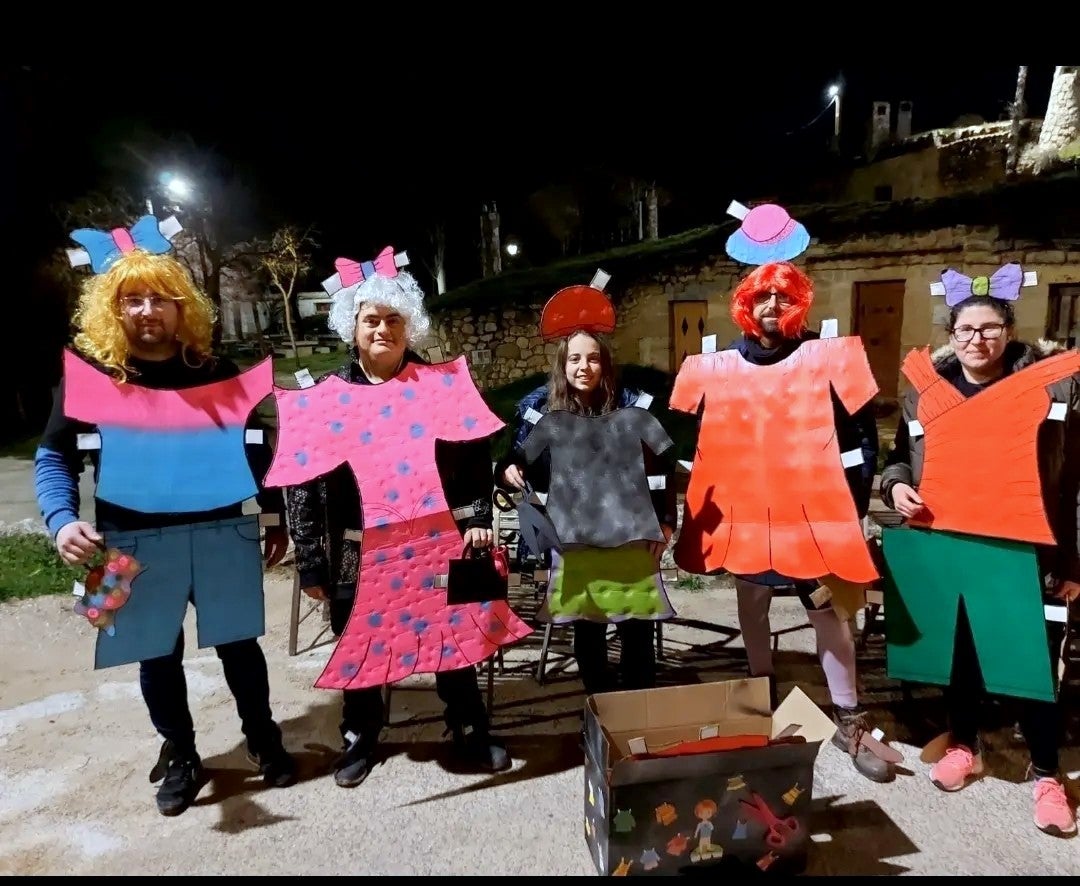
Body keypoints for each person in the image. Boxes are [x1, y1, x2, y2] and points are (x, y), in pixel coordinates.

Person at [34, 221, 297, 818]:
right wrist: (60, 520)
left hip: (219, 532)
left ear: (182, 308)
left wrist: (275, 512)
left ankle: (264, 739)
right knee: (154, 653)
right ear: (113, 308)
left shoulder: (215, 371)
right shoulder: (90, 377)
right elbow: (54, 456)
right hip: (124, 536)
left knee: (239, 645)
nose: (147, 310)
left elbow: (257, 448)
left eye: (160, 298)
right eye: (133, 299)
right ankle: (181, 753)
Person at [280, 248, 528, 788]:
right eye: (372, 320)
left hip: (440, 539)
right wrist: (311, 562)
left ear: (408, 325)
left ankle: (467, 725)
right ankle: (361, 735)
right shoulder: (325, 399)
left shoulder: (440, 387)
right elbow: (301, 485)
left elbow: (473, 456)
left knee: (453, 634)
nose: (383, 330)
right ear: (353, 327)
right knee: (361, 644)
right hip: (357, 549)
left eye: (394, 320)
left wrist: (479, 517)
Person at [671, 252, 895, 783]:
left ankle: (848, 717)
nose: (773, 305)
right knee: (751, 604)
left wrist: (851, 508)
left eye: (785, 296)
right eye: (761, 296)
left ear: (800, 303)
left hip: (814, 518)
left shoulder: (829, 357)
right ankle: (758, 693)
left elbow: (863, 440)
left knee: (829, 614)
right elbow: (692, 437)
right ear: (745, 304)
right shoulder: (716, 366)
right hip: (747, 516)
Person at [880, 273, 1080, 837]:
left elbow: (1071, 482)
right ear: (952, 334)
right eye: (966, 328)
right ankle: (965, 744)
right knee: (959, 655)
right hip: (946, 545)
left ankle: (1045, 772)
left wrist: (1071, 564)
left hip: (1023, 551)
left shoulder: (1050, 391)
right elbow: (899, 457)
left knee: (1032, 665)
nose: (977, 339)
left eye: (989, 328)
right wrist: (896, 487)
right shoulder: (927, 391)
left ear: (1009, 331)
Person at [497, 276, 677, 697]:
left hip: (630, 537)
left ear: (604, 363)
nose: (584, 367)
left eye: (592, 359)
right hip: (574, 540)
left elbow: (663, 465)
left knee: (636, 626)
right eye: (575, 359)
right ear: (563, 363)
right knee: (588, 627)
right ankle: (599, 705)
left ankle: (636, 710)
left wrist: (665, 521)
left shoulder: (632, 405)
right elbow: (512, 459)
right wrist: (508, 471)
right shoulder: (540, 410)